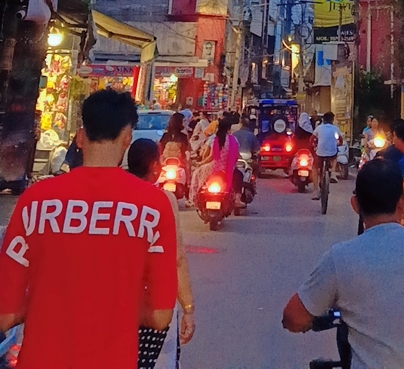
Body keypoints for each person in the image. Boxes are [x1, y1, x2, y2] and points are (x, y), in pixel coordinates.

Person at [0, 88, 177, 369]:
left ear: (80, 137)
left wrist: (40, 304)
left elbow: (5, 315)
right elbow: (160, 316)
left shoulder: (35, 201)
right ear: (126, 139)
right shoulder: (153, 206)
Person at [283, 158, 404, 367]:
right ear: (402, 202)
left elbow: (293, 318)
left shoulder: (340, 258)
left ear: (355, 205)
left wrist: (308, 321)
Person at [128, 139, 196, 369]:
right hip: (152, 306)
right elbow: (176, 258)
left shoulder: (114, 196)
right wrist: (187, 308)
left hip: (114, 303)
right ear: (155, 167)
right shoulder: (163, 200)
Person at [189, 114, 239, 205]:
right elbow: (236, 157)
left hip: (214, 167)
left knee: (196, 173)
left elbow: (211, 157)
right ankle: (236, 200)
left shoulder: (216, 139)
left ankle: (194, 199)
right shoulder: (233, 140)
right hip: (228, 168)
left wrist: (200, 164)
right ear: (229, 129)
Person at [311, 110, 340, 199]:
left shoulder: (319, 128)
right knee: (335, 157)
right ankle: (333, 173)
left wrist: (313, 146)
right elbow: (340, 140)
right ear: (332, 120)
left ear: (323, 120)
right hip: (332, 153)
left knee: (315, 167)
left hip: (320, 152)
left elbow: (312, 139)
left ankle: (315, 191)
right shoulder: (335, 128)